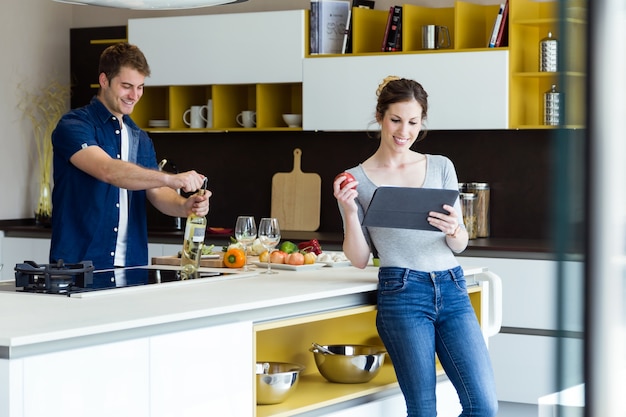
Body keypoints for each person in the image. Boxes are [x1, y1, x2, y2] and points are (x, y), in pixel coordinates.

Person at [333, 76, 498, 417]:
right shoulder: (355, 179)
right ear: (380, 117)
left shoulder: (440, 166)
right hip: (402, 292)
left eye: (413, 122)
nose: (404, 131)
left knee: (483, 406)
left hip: (452, 288)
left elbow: (460, 244)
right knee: (422, 411)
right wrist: (350, 211)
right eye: (396, 120)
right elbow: (360, 259)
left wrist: (454, 228)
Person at [50, 42, 209, 270]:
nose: (134, 95)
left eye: (140, 87)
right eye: (126, 86)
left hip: (131, 266)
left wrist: (186, 206)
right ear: (104, 80)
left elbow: (155, 192)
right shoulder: (74, 125)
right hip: (78, 266)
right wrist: (170, 178)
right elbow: (107, 170)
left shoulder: (139, 137)